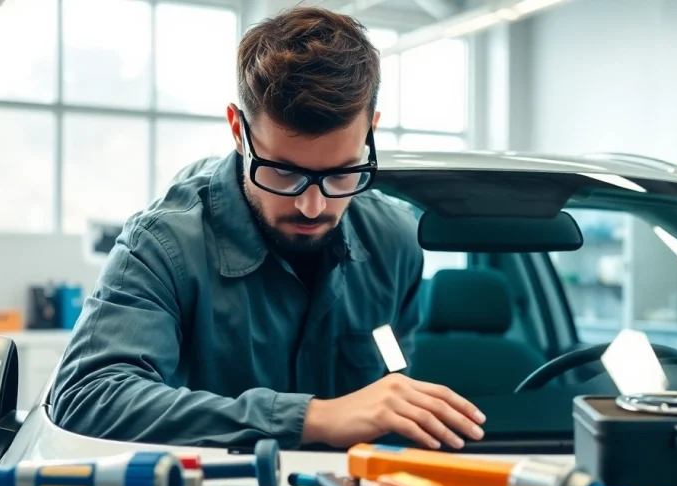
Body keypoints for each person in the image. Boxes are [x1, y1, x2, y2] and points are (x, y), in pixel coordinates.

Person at [49, 6, 486, 451]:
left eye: (341, 173)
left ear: (370, 132)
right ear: (239, 131)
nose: (312, 205)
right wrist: (311, 418)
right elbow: (88, 397)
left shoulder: (396, 242)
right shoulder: (162, 246)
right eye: (283, 172)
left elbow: (393, 371)